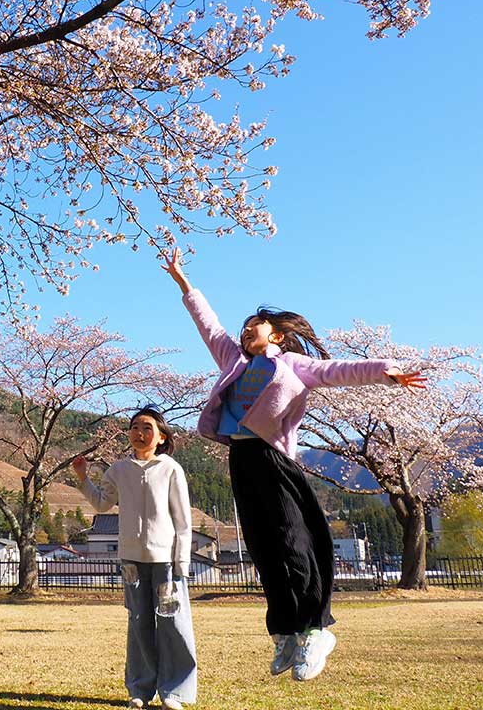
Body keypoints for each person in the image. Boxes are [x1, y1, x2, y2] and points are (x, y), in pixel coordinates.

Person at [161, 247, 426, 682]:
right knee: (263, 547)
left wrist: (387, 370)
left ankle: (316, 629)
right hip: (241, 458)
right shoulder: (233, 359)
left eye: (255, 327)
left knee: (292, 541)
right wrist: (184, 284)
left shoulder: (292, 365)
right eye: (244, 328)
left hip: (273, 458)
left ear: (277, 336)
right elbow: (208, 325)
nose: (247, 332)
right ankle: (285, 631)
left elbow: (339, 370)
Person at [73, 407, 198, 709]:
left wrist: (182, 560)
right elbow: (102, 505)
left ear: (161, 436)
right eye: (134, 428)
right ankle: (140, 689)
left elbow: (182, 520)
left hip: (166, 560)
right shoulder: (118, 469)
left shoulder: (170, 469)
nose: (140, 434)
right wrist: (82, 478)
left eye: (147, 428)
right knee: (138, 621)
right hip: (130, 560)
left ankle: (175, 691)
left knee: (172, 623)